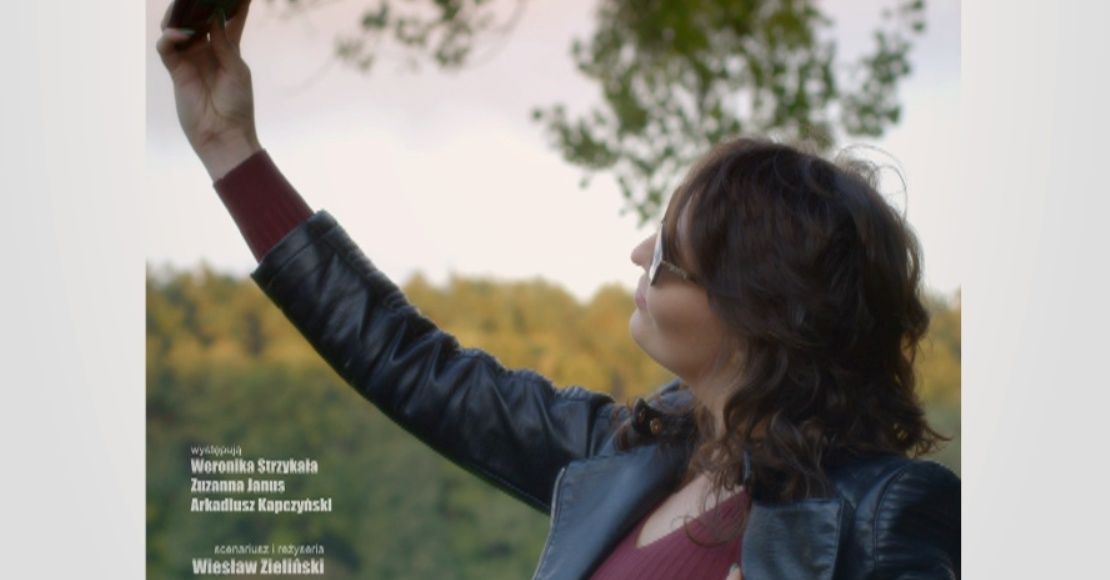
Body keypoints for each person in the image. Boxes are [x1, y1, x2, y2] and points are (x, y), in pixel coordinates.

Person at [155, 2, 960, 578]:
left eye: (669, 253)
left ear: (762, 309)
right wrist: (229, 145)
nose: (638, 253)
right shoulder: (627, 456)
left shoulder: (882, 514)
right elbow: (410, 365)